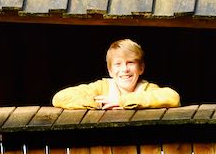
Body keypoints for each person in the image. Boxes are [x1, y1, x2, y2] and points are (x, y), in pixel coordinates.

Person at [52, 39, 180, 109]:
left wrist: (122, 101)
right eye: (118, 64)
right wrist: (99, 103)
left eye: (130, 63)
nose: (125, 69)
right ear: (110, 71)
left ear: (141, 68)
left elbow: (173, 97)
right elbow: (60, 97)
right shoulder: (102, 88)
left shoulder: (147, 89)